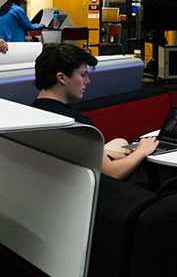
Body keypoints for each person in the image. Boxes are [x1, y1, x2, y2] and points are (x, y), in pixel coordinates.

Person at [30, 44, 159, 184]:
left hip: (55, 178)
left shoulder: (32, 112)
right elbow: (111, 172)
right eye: (83, 75)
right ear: (61, 78)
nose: (87, 81)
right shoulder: (77, 124)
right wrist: (142, 151)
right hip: (97, 186)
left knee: (120, 143)